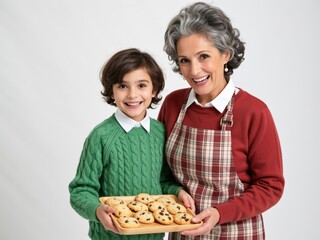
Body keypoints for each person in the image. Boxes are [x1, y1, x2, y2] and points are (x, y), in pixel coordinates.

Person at [158, 2, 285, 239]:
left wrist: (219, 213)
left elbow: (271, 186)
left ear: (226, 54)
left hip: (239, 233)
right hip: (184, 234)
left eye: (204, 56)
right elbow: (162, 173)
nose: (194, 70)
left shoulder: (253, 112)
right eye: (184, 60)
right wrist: (174, 191)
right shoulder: (173, 105)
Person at [69, 48, 191, 240]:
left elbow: (163, 181)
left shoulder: (161, 133)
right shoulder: (101, 136)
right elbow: (81, 190)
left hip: (154, 236)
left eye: (141, 85)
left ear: (154, 90)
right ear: (112, 91)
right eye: (123, 86)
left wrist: (178, 192)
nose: (132, 95)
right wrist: (97, 210)